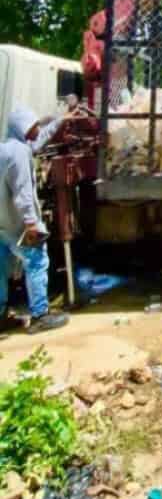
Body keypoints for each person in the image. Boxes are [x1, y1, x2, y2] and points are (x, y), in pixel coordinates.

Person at [0, 107, 69, 333]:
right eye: (32, 126)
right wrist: (31, 223)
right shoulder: (19, 154)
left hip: (2, 225)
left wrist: (59, 119)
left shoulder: (9, 149)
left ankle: (1, 316)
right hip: (20, 224)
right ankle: (40, 315)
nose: (36, 129)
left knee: (0, 268)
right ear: (22, 128)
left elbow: (39, 141)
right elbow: (23, 192)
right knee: (37, 261)